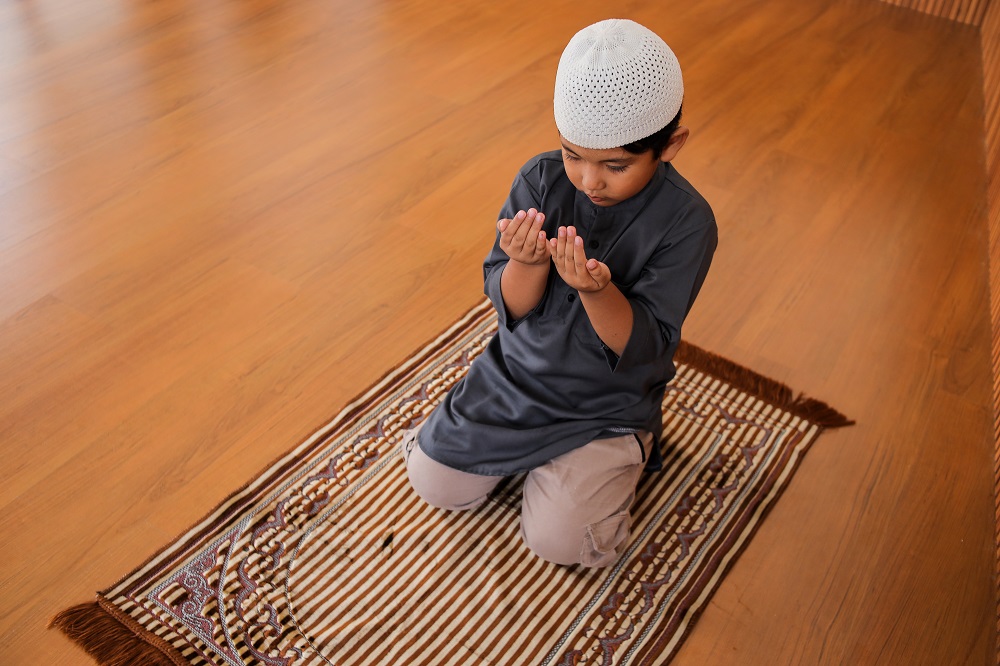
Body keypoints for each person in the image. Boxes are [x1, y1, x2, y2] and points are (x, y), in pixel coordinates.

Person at [401, 18, 717, 568]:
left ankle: (625, 455)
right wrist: (525, 264)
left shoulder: (687, 222)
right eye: (573, 154)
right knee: (434, 482)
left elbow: (644, 346)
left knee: (560, 544)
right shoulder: (541, 180)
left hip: (604, 407)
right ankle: (536, 465)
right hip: (517, 378)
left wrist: (596, 292)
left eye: (615, 164)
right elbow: (511, 307)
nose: (589, 180)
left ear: (670, 146)